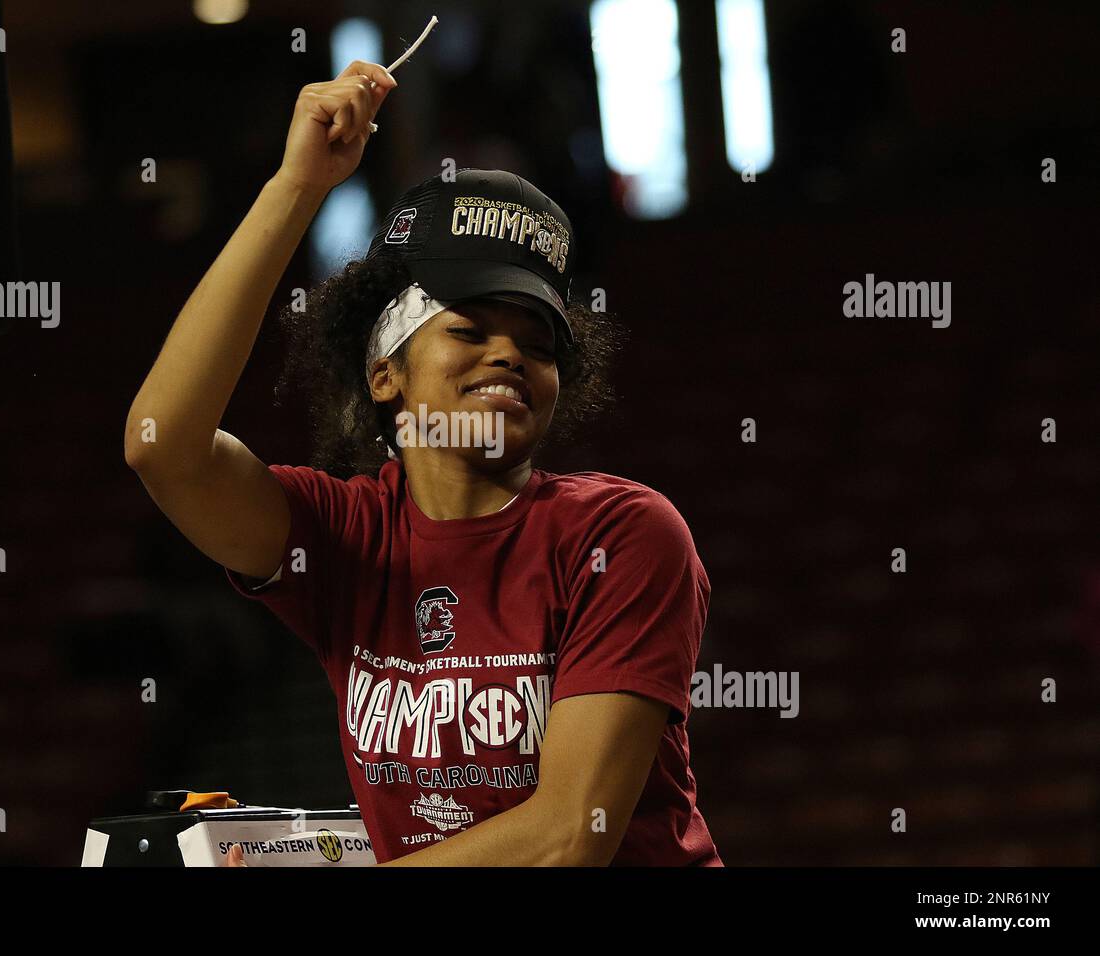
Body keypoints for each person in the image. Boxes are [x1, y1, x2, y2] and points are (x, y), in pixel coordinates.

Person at [125, 60, 721, 866]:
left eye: (538, 343)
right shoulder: (341, 536)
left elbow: (562, 842)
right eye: (470, 330)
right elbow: (162, 444)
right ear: (385, 373)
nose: (509, 353)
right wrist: (298, 187)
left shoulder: (621, 533)